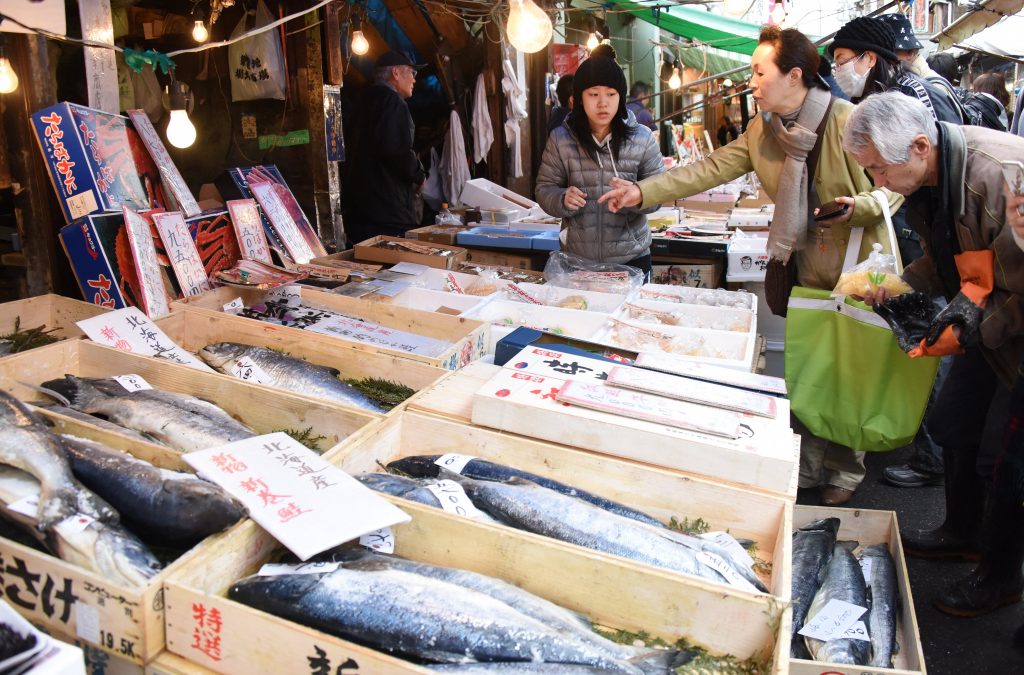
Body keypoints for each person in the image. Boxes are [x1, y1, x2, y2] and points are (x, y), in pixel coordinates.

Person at [599, 26, 902, 506]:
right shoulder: (765, 128)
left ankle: (846, 468)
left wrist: (862, 205)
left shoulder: (847, 119)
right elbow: (712, 167)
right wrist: (642, 192)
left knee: (851, 365)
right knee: (809, 365)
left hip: (856, 262)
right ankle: (807, 460)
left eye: (761, 72)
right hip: (799, 260)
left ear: (794, 76)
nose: (753, 82)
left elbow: (896, 181)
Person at [846, 92, 1024, 616]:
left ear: (920, 146)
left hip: (1011, 319)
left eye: (879, 169)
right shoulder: (928, 177)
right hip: (986, 312)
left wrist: (970, 334)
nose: (877, 182)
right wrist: (899, 286)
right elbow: (949, 259)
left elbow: (1020, 294)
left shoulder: (1000, 180)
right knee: (956, 421)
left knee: (1009, 460)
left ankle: (1001, 577)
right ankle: (962, 531)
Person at [535, 56, 665, 279]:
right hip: (577, 261)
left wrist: (638, 195)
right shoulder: (560, 139)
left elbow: (661, 192)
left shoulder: (643, 138)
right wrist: (561, 198)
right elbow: (544, 189)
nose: (603, 103)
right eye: (593, 94)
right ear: (579, 98)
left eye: (611, 94)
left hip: (631, 260)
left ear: (621, 97)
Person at [342, 51, 426, 246]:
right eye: (412, 73)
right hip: (388, 212)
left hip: (359, 210)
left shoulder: (362, 100)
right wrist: (419, 174)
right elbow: (396, 150)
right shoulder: (392, 102)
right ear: (396, 73)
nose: (414, 80)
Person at [829, 16, 963, 124]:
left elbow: (942, 150)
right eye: (836, 65)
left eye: (841, 61)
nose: (838, 71)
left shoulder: (915, 95)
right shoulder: (861, 100)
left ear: (870, 58)